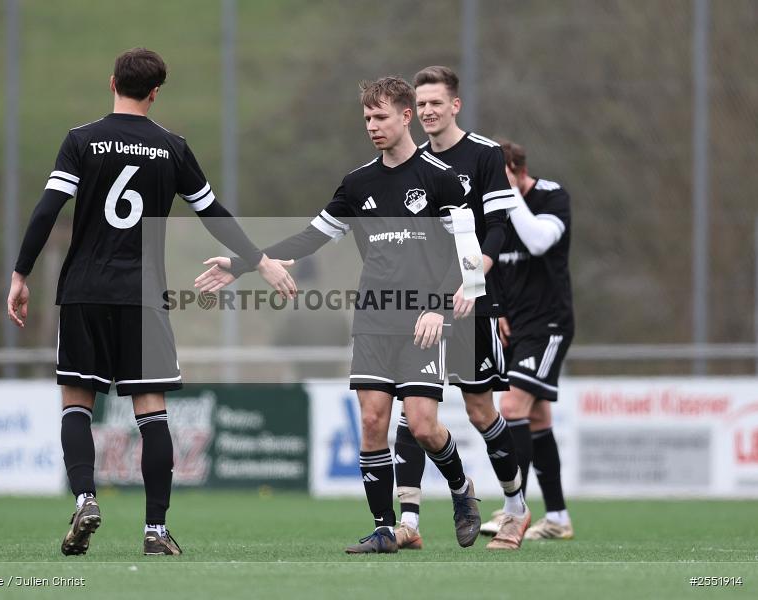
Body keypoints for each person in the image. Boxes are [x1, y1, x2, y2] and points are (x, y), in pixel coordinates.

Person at [6, 48, 295, 557]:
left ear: (112, 81)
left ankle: (85, 498)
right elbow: (214, 213)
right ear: (156, 91)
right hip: (143, 298)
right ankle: (156, 532)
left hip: (84, 292)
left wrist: (21, 272)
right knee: (152, 411)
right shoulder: (172, 147)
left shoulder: (81, 141)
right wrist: (259, 259)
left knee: (77, 404)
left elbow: (47, 209)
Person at [195, 76, 483, 554]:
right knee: (372, 421)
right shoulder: (357, 184)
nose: (372, 125)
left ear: (406, 116)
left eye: (381, 117)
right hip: (373, 317)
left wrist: (439, 307)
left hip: (422, 322)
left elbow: (469, 254)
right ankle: (385, 527)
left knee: (424, 425)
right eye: (367, 118)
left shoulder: (441, 179)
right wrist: (244, 263)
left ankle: (461, 491)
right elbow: (310, 237)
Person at [392, 65, 530, 551]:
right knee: (412, 410)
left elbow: (497, 228)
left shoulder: (485, 154)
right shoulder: (412, 160)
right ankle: (407, 519)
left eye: (436, 103)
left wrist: (473, 280)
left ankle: (515, 508)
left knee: (478, 410)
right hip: (422, 304)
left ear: (455, 105)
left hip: (472, 303)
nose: (428, 112)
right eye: (421, 105)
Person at [480, 138, 575, 540]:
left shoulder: (552, 197)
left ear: (517, 172)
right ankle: (557, 518)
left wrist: (509, 195)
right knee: (537, 418)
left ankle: (511, 509)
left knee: (512, 404)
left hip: (549, 325)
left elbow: (537, 240)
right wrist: (498, 310)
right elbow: (492, 265)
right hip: (515, 326)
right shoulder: (495, 211)